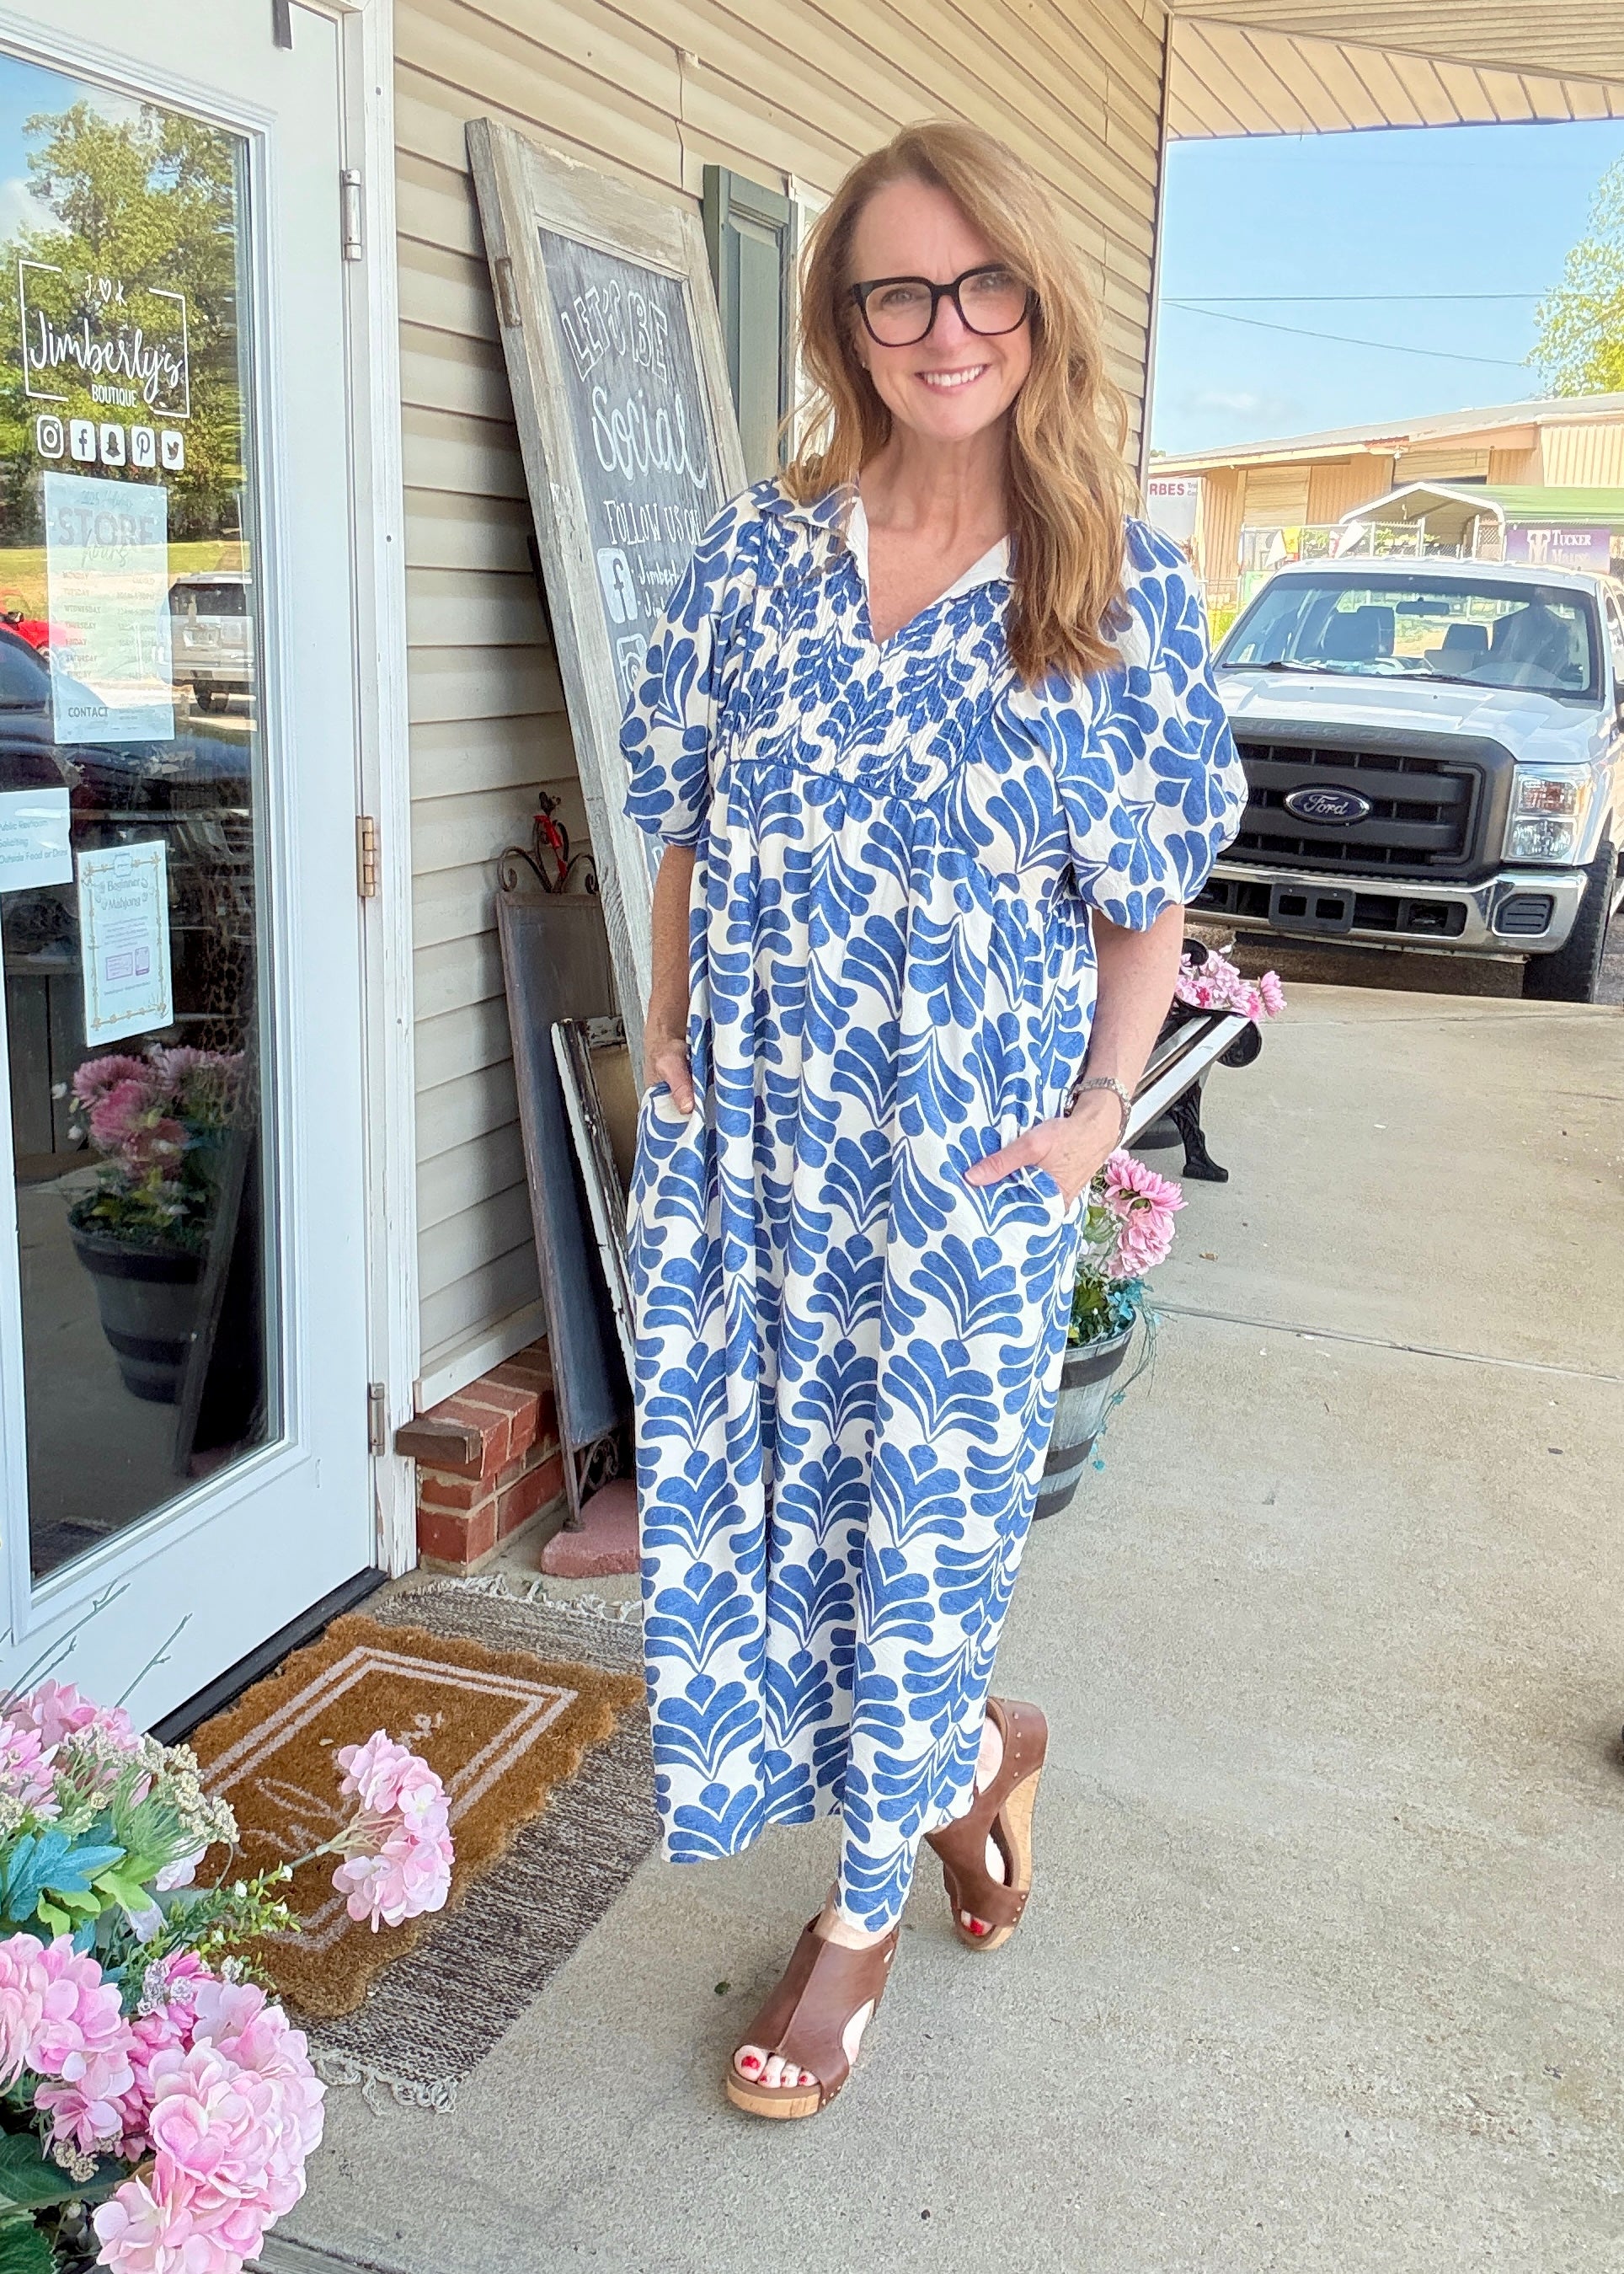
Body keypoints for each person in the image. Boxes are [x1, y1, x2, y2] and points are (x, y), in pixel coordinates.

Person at [621, 119, 1245, 2121]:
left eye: (982, 283)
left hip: (963, 1161)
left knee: (920, 1536)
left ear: (1036, 301)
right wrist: (664, 1036)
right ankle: (975, 1761)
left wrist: (1093, 1120)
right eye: (897, 289)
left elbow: (1145, 897)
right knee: (765, 1519)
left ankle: (857, 1919)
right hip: (754, 1148)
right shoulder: (758, 555)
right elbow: (685, 818)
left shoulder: (1109, 582)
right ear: (845, 319)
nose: (943, 326)